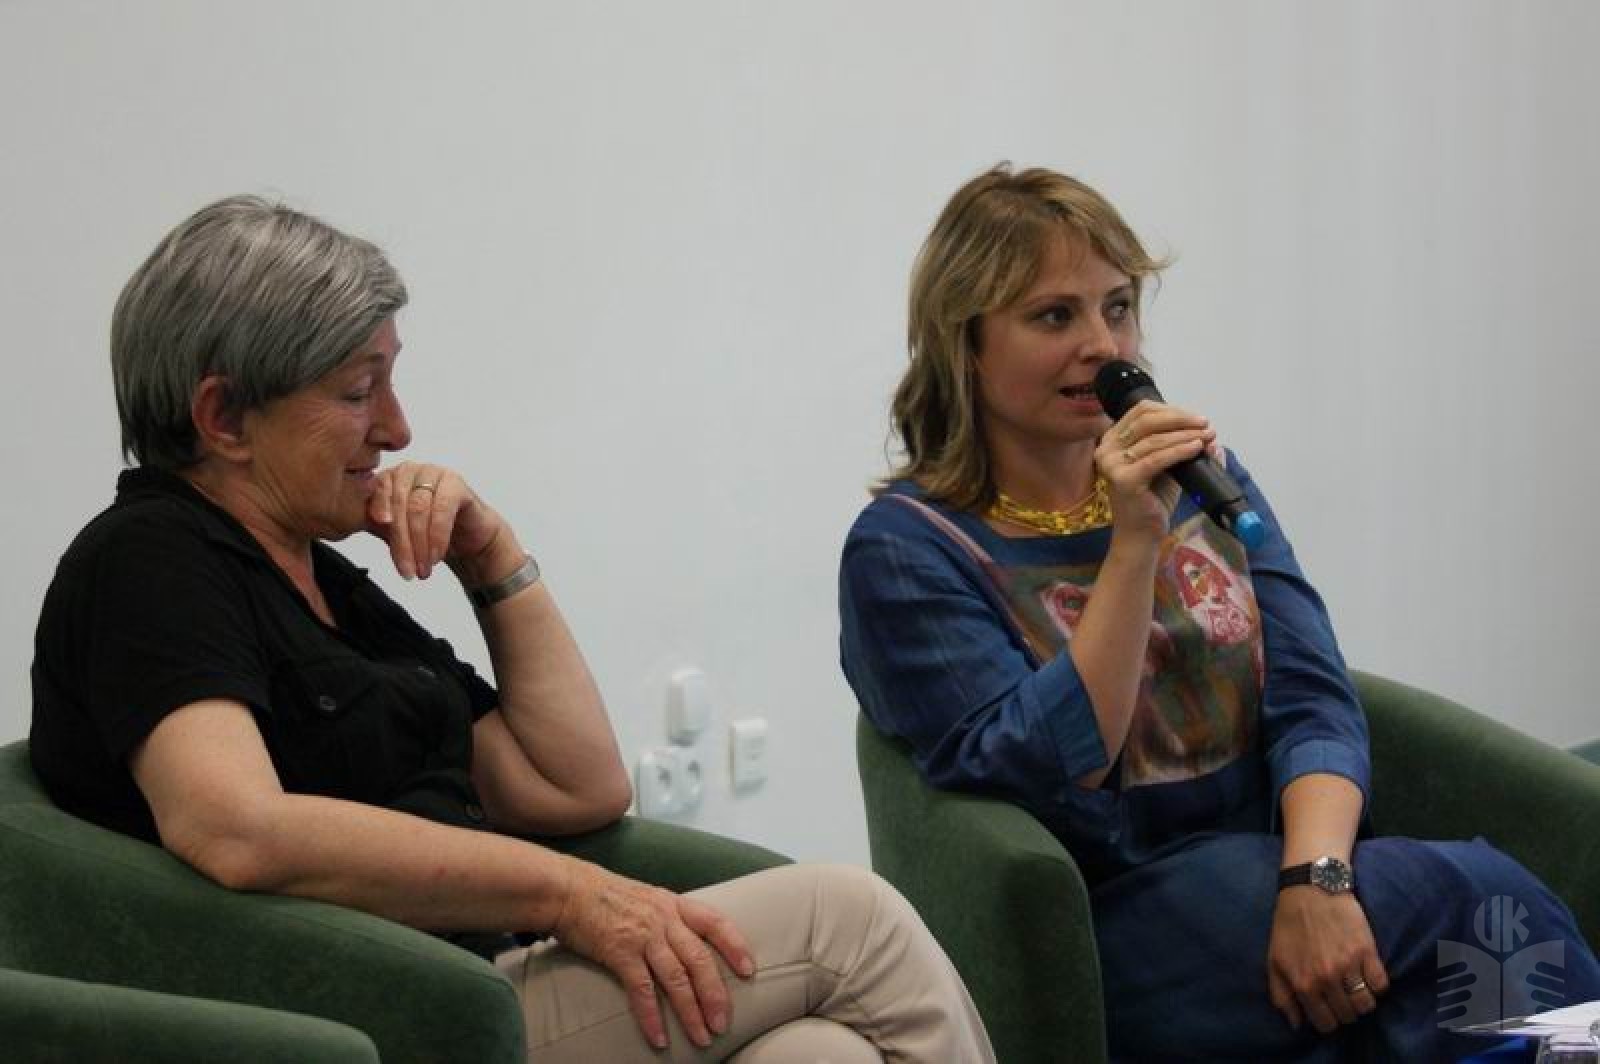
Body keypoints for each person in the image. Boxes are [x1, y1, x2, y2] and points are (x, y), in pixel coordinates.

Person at [30, 195, 995, 1064]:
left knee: (820, 1054)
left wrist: (491, 556)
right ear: (224, 418)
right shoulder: (146, 560)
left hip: (477, 979)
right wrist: (567, 895)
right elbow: (236, 828)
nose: (398, 429)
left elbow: (575, 786)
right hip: (389, 1013)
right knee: (848, 921)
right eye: (359, 391)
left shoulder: (319, 575)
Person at [837, 164, 1600, 1062]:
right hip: (1112, 911)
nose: (1102, 345)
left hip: (1278, 861)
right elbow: (1047, 770)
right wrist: (1135, 543)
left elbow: (1314, 693)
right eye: (1054, 317)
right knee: (1479, 903)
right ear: (964, 343)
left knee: (1421, 995)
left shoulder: (1207, 477)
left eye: (1118, 307)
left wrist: (1317, 881)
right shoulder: (907, 548)